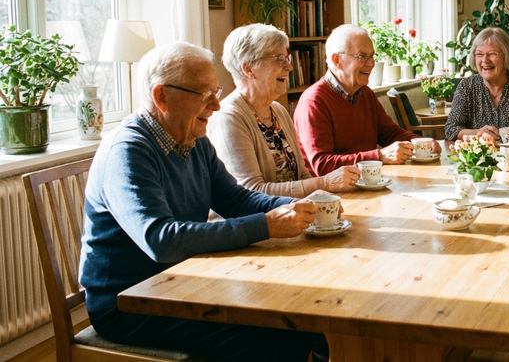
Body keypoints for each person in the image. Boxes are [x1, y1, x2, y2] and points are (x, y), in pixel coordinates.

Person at [79, 42, 327, 361]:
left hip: (181, 282)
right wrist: (267, 225)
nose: (216, 105)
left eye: (216, 91)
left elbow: (235, 199)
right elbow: (161, 240)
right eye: (204, 94)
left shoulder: (193, 139)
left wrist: (295, 209)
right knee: (267, 336)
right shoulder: (128, 151)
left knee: (296, 318)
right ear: (161, 96)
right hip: (127, 303)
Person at [209, 24, 359, 196]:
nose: (289, 67)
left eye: (287, 58)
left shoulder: (278, 110)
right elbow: (251, 192)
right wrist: (324, 183)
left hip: (292, 214)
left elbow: (301, 175)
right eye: (279, 59)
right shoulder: (229, 118)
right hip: (261, 221)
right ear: (248, 68)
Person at [295, 24, 441, 176]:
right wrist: (379, 156)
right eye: (362, 56)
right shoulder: (314, 101)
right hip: (329, 194)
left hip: (367, 182)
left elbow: (390, 134)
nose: (371, 64)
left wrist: (420, 142)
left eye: (372, 56)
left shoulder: (365, 94)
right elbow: (323, 165)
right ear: (337, 59)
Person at [445, 28, 509, 142]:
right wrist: (478, 133)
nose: (485, 60)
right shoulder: (466, 87)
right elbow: (451, 130)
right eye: (479, 54)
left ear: (506, 56)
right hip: (481, 158)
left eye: (492, 54)